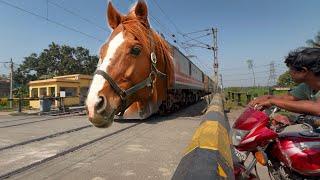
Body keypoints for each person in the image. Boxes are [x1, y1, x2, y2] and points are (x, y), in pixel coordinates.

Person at [249, 48, 320, 127]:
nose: (289, 72)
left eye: (291, 69)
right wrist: (268, 98)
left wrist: (272, 101)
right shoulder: (307, 86)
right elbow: (287, 98)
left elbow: (317, 108)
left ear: (303, 71)